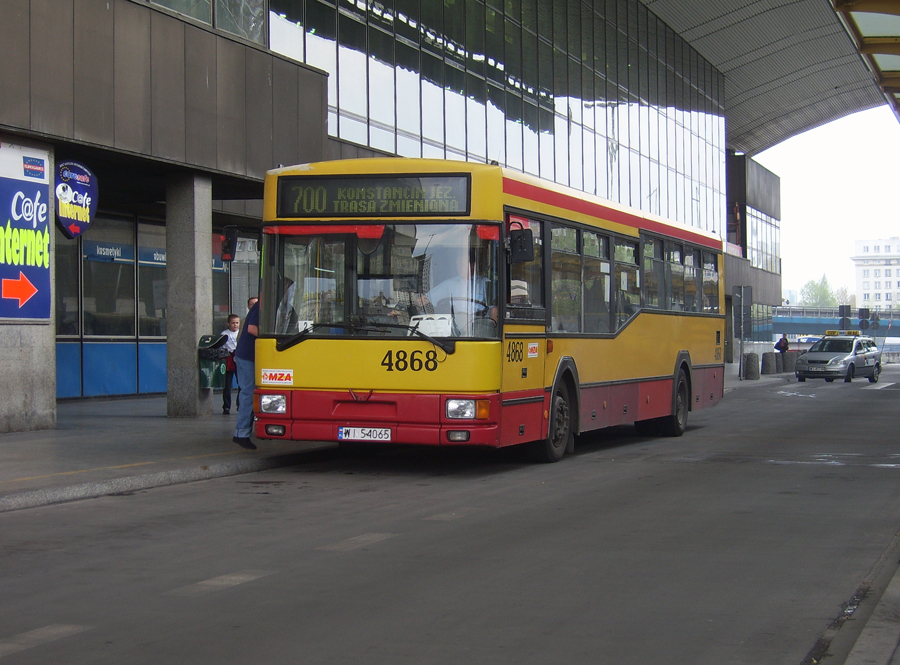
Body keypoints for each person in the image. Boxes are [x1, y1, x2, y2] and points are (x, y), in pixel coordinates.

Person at [232, 299, 259, 450]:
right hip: (248, 356)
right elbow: (252, 328)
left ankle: (242, 432)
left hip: (250, 355)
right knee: (249, 392)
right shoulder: (262, 305)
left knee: (249, 392)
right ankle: (241, 434)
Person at [220, 314, 240, 415]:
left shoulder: (240, 333)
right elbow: (222, 347)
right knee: (227, 385)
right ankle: (226, 406)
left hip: (239, 358)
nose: (235, 325)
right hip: (228, 359)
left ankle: (239, 405)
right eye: (233, 323)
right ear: (228, 324)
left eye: (237, 323)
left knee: (241, 384)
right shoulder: (224, 334)